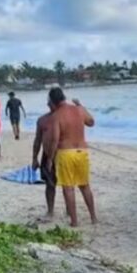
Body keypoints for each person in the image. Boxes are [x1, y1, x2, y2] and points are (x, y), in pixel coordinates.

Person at [44, 88, 97, 227]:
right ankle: (93, 218)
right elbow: (91, 122)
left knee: (68, 188)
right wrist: (81, 105)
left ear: (53, 101)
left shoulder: (56, 115)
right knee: (85, 186)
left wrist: (50, 158)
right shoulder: (78, 110)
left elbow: (55, 139)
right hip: (82, 151)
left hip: (66, 152)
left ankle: (74, 221)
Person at [32, 102, 56, 219]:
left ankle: (68, 209)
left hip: (62, 154)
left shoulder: (64, 117)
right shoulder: (42, 120)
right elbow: (37, 140)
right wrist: (34, 158)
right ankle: (50, 210)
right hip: (47, 154)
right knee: (50, 184)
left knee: (68, 184)